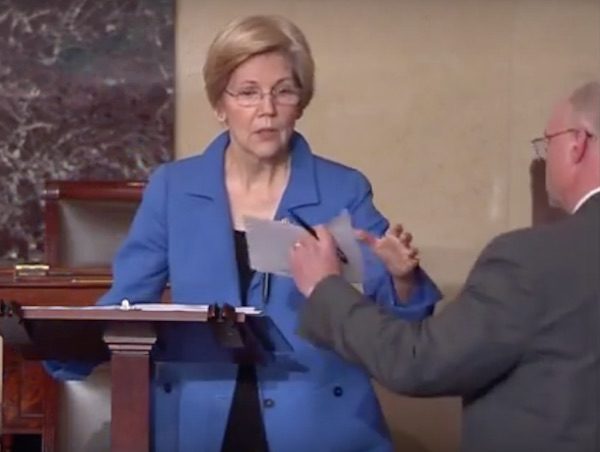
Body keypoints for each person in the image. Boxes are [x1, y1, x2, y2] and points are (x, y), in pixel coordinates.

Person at [47, 15, 441, 452]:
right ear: (220, 104)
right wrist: (55, 343)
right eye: (248, 93)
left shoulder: (342, 190)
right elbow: (127, 303)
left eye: (283, 92)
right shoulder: (174, 188)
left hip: (318, 425)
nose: (267, 109)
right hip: (197, 420)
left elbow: (396, 333)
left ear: (301, 102)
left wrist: (404, 280)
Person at [290, 81, 600, 452]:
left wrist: (324, 287)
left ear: (578, 143)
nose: (545, 156)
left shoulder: (530, 261)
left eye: (547, 142)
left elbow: (417, 364)